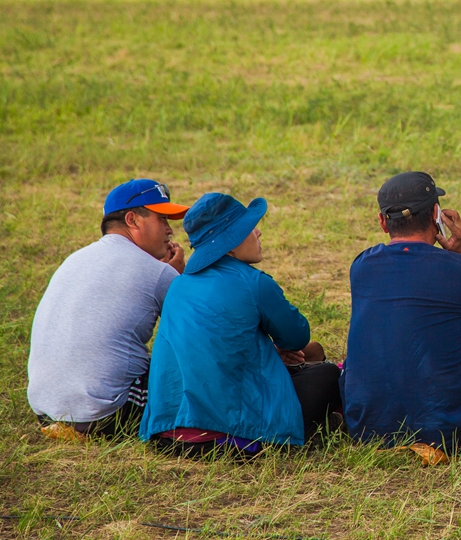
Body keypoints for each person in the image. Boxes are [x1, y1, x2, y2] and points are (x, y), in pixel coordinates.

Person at [341, 173, 461, 451]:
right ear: (435, 214)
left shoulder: (362, 266)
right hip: (448, 431)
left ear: (382, 222)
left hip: (366, 428)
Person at [140, 193, 342, 455]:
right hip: (230, 433)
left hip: (167, 432)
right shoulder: (254, 282)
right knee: (327, 375)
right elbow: (297, 337)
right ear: (230, 242)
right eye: (249, 227)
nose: (258, 232)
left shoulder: (178, 285)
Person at [28, 180, 189, 438]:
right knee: (196, 375)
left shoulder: (75, 258)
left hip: (45, 410)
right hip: (105, 413)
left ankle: (69, 425)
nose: (170, 230)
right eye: (162, 219)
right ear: (133, 220)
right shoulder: (158, 272)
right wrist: (177, 279)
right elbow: (195, 333)